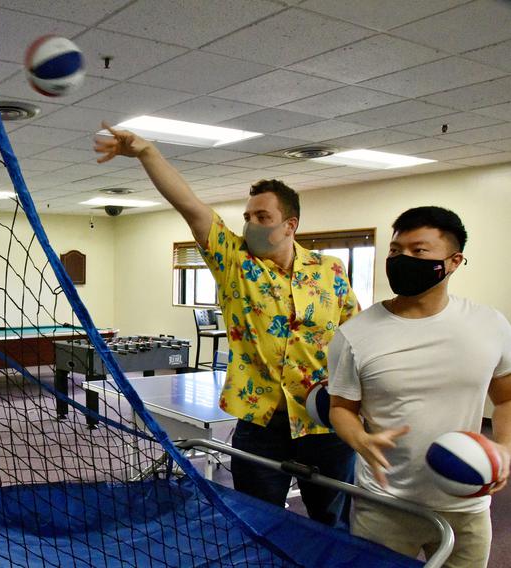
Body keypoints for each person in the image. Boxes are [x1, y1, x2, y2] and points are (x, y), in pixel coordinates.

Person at [94, 123, 359, 526]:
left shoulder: (330, 270)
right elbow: (192, 207)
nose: (251, 223)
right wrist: (147, 151)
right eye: (248, 215)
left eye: (262, 216)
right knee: (258, 523)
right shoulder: (235, 264)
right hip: (261, 422)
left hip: (325, 421)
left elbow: (356, 339)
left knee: (333, 525)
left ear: (290, 224)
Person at [327, 206, 511, 567]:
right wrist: (358, 439)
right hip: (384, 504)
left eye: (418, 251)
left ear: (453, 261)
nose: (402, 259)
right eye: (396, 251)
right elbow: (340, 407)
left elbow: (506, 398)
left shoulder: (490, 325)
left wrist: (505, 448)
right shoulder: (355, 334)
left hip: (468, 502)